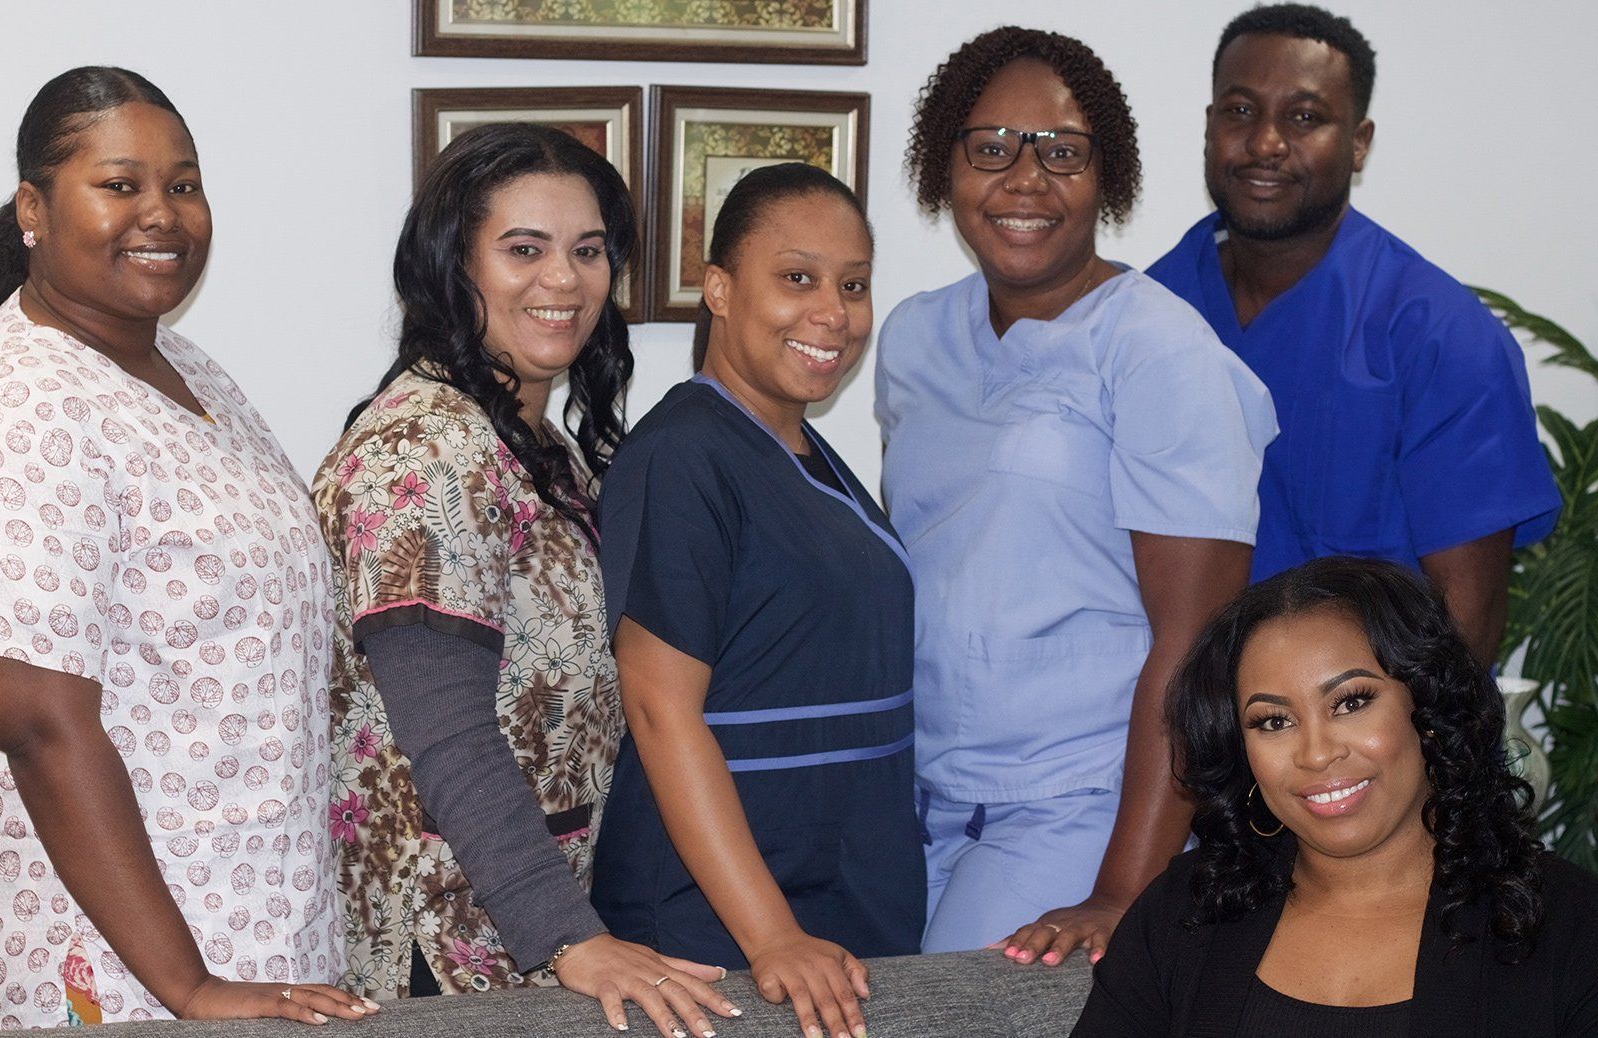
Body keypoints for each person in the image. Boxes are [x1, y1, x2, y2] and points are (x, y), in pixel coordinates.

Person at [0, 67, 370, 1031]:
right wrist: (187, 985)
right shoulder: (18, 410)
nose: (162, 214)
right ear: (35, 206)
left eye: (183, 185)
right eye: (121, 185)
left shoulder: (179, 366)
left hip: (248, 927)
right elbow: (36, 723)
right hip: (107, 965)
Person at [312, 123, 736, 1038]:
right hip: (445, 938)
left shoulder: (535, 446)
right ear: (451, 266)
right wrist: (569, 938)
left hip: (527, 924)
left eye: (588, 252)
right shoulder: (423, 452)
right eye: (523, 250)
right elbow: (448, 731)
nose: (564, 281)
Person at [879, 27, 1280, 963]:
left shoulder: (1157, 351)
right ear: (947, 169)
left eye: (1062, 152)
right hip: (919, 798)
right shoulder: (910, 337)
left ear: (1110, 176)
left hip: (1079, 806)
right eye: (991, 148)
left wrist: (1117, 892)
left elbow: (1195, 647)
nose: (1026, 180)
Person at [592, 162, 922, 1038]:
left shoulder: (810, 454)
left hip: (839, 905)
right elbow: (661, 711)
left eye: (853, 286)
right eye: (798, 278)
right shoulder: (685, 457)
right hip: (722, 931)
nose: (834, 313)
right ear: (720, 289)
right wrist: (773, 935)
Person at [1147, 4, 1560, 666]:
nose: (1265, 143)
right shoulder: (1144, 315)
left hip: (1361, 748)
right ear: (1209, 126)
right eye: (1241, 111)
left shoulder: (1441, 339)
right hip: (1177, 737)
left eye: (1305, 117)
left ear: (1359, 141)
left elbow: (1464, 636)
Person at [1073, 557, 1598, 1036]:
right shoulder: (1185, 910)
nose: (1316, 754)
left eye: (1351, 703)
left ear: (1429, 709)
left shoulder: (1567, 924)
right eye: (1273, 721)